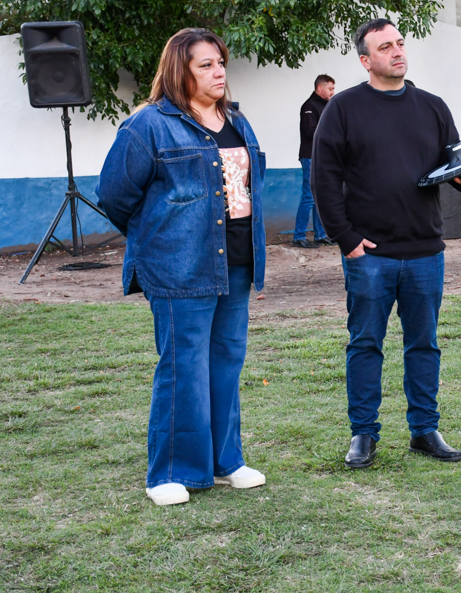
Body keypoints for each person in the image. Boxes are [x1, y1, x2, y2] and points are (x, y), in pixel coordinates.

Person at [96, 28, 267, 506]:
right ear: (180, 71)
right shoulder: (148, 125)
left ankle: (225, 461)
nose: (218, 72)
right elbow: (113, 195)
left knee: (226, 362)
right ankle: (170, 472)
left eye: (220, 62)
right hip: (179, 266)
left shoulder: (238, 120)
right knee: (182, 366)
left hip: (236, 262)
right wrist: (159, 235)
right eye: (205, 65)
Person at [311, 18, 461, 470]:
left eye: (400, 43)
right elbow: (324, 179)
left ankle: (425, 430)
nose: (397, 51)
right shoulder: (343, 109)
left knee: (424, 344)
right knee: (365, 343)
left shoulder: (432, 107)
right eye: (385, 47)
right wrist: (346, 238)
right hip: (370, 254)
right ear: (365, 60)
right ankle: (363, 434)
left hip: (426, 250)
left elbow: (454, 167)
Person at [293, 74, 335, 248]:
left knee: (320, 196)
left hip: (322, 157)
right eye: (330, 89)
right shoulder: (309, 106)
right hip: (310, 156)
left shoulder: (327, 105)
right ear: (320, 88)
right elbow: (311, 131)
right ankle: (299, 236)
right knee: (309, 197)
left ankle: (321, 234)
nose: (333, 92)